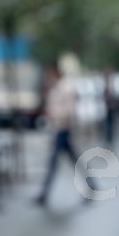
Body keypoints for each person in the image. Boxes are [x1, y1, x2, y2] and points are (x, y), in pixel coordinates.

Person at [35, 63, 79, 206]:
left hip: (62, 128)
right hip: (58, 128)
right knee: (73, 160)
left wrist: (55, 115)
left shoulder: (66, 88)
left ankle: (44, 193)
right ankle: (92, 186)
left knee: (53, 162)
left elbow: (69, 110)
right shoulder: (58, 87)